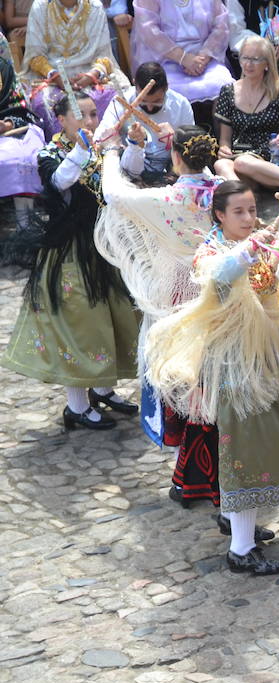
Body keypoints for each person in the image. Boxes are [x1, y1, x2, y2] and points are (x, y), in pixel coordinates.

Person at [145, 181, 279, 574]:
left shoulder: (258, 241)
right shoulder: (211, 253)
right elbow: (220, 277)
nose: (250, 218)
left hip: (270, 357)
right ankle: (240, 548)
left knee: (268, 439)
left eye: (253, 209)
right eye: (239, 212)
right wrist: (251, 249)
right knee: (245, 448)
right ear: (219, 215)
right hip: (234, 365)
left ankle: (242, 527)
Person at [1, 91, 139, 433]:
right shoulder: (49, 153)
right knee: (79, 326)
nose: (91, 121)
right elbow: (60, 181)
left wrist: (133, 146)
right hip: (70, 254)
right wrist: (83, 150)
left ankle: (104, 389)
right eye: (83, 115)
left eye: (94, 114)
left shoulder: (102, 148)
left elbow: (125, 177)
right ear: (61, 120)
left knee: (115, 317)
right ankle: (76, 406)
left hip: (106, 248)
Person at [94, 125, 220, 462]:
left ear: (175, 157)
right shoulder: (223, 192)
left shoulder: (167, 198)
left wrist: (110, 152)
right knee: (213, 364)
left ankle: (184, 442)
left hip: (177, 290)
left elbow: (115, 195)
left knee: (176, 365)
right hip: (220, 283)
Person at [20, 0, 126, 131]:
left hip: (89, 74)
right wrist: (56, 76)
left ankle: (106, 145)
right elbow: (35, 56)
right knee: (42, 104)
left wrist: (92, 75)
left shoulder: (95, 6)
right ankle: (60, 148)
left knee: (112, 97)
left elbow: (103, 55)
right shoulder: (41, 6)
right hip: (51, 77)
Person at [93, 62, 196, 185]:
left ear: (166, 87)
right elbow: (99, 139)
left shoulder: (181, 105)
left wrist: (175, 141)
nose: (150, 108)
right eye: (143, 101)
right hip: (129, 170)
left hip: (170, 170)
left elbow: (193, 150)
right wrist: (112, 140)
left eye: (157, 101)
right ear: (134, 84)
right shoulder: (120, 102)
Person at [212, 34, 279, 189]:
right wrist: (224, 149)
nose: (248, 64)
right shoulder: (228, 91)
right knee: (222, 164)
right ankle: (243, 198)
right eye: (245, 58)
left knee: (243, 162)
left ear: (267, 63)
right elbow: (225, 140)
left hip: (269, 156)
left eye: (255, 59)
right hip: (239, 156)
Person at [131, 0, 234, 105]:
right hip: (164, 60)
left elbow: (221, 26)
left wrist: (203, 57)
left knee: (223, 84)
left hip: (204, 59)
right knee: (166, 90)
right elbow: (148, 31)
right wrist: (183, 58)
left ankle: (218, 121)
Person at [0, 54, 43, 231]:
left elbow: (18, 109)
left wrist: (7, 124)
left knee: (24, 156)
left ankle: (26, 226)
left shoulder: (3, 67)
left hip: (7, 129)